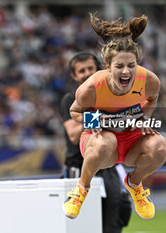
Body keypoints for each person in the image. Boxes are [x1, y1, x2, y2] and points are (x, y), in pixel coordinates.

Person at [62, 13, 166, 220]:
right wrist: (96, 121)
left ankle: (134, 183)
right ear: (107, 66)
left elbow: (152, 98)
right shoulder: (92, 87)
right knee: (107, 140)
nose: (126, 72)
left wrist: (143, 119)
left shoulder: (149, 80)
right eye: (119, 66)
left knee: (160, 146)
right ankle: (80, 190)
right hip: (99, 143)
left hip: (131, 141)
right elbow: (74, 112)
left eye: (131, 65)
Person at [60, 52, 132, 233]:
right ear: (74, 76)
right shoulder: (70, 99)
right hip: (79, 169)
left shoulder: (110, 95)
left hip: (109, 169)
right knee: (80, 226)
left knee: (114, 222)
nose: (86, 73)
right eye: (81, 70)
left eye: (90, 68)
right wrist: (99, 117)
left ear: (98, 69)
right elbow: (73, 134)